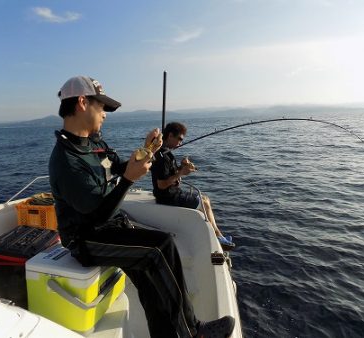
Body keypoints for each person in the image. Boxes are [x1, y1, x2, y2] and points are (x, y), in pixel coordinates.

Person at [49, 76, 235, 338]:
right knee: (160, 248)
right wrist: (128, 180)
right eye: (101, 106)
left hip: (108, 225)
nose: (104, 114)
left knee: (150, 282)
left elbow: (120, 166)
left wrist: (148, 150)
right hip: (85, 238)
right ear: (82, 103)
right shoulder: (65, 160)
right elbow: (98, 212)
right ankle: (193, 332)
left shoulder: (94, 143)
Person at [151, 122, 235, 250]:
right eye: (179, 139)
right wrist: (181, 173)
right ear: (170, 135)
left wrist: (182, 166)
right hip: (168, 197)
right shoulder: (161, 156)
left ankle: (217, 235)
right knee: (205, 203)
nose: (180, 143)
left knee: (205, 199)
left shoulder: (167, 153)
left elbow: (169, 174)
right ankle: (218, 236)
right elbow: (161, 184)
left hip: (173, 193)